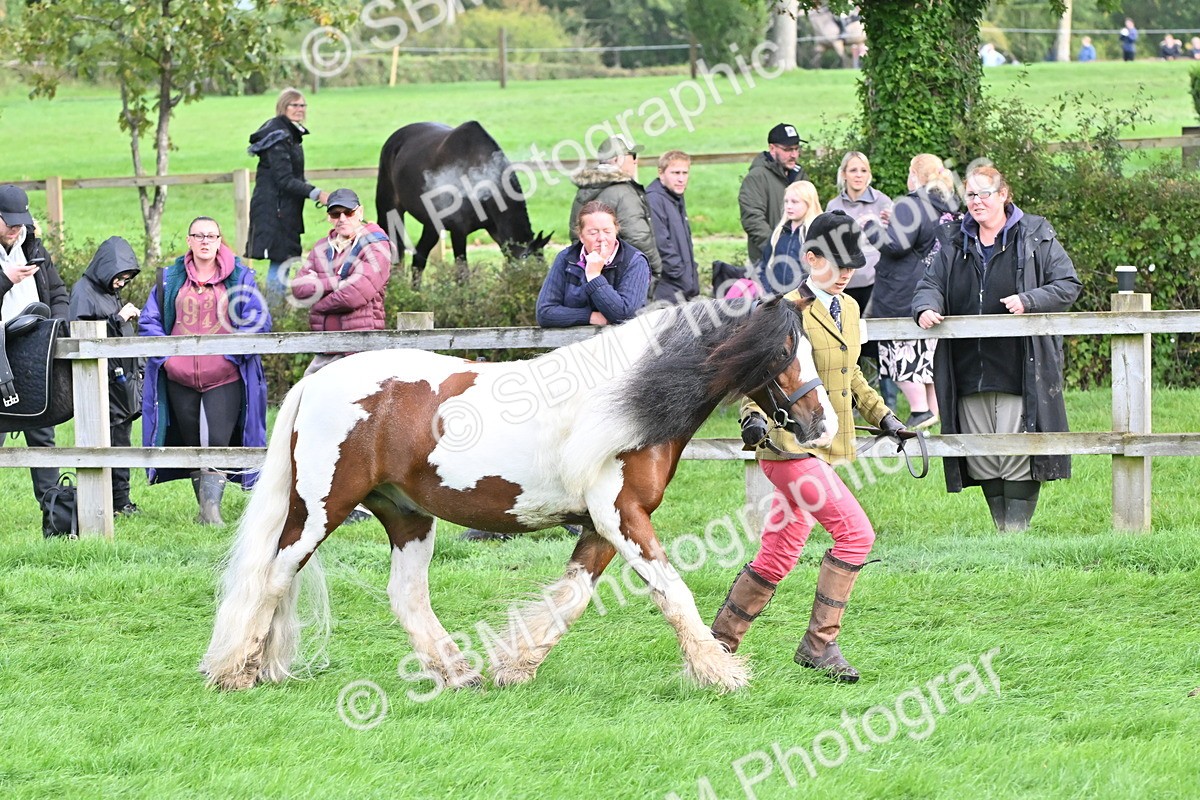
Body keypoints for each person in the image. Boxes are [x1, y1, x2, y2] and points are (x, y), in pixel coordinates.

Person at [709, 210, 908, 684]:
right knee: (857, 534)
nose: (844, 276)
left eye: (850, 267)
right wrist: (752, 419)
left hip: (826, 446)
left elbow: (853, 374)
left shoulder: (851, 309)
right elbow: (759, 375)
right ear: (809, 258)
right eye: (835, 266)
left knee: (780, 551)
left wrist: (885, 417)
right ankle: (820, 645)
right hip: (789, 449)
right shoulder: (783, 310)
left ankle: (718, 644)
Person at [912, 165, 1081, 532]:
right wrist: (926, 306)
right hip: (968, 367)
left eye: (984, 194)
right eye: (970, 195)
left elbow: (1068, 284)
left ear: (1004, 194)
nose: (976, 202)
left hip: (1019, 366)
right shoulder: (955, 240)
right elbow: (930, 283)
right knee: (985, 456)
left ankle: (1015, 533)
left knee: (1018, 454)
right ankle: (1001, 532)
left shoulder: (1035, 233)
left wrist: (1030, 299)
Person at [140, 216, 271, 526]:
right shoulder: (170, 278)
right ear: (189, 240)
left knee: (217, 441)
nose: (204, 241)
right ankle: (205, 510)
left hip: (223, 377)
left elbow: (258, 320)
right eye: (198, 236)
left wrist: (230, 355)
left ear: (219, 240)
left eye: (211, 236)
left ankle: (211, 512)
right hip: (178, 376)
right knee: (190, 443)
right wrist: (169, 359)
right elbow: (149, 321)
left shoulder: (240, 278)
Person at [863, 154, 958, 430]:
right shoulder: (949, 204)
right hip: (935, 289)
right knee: (926, 354)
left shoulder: (911, 202)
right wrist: (892, 222)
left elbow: (897, 245)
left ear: (915, 175)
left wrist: (871, 227)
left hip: (902, 290)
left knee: (898, 347)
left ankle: (918, 410)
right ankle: (932, 412)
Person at [0, 185, 68, 536]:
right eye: (9, 223)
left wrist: (55, 328)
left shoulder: (31, 244)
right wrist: (5, 280)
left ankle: (55, 518)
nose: (15, 229)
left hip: (33, 352)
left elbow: (57, 291)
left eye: (19, 222)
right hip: (0, 352)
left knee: (42, 435)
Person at [68, 237, 143, 516]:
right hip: (98, 382)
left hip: (118, 380)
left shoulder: (108, 290)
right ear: (106, 268)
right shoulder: (83, 292)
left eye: (126, 278)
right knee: (105, 441)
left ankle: (120, 502)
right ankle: (109, 502)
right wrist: (119, 320)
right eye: (119, 277)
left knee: (121, 439)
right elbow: (79, 335)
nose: (122, 283)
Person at [290, 188, 391, 377]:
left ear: (360, 212)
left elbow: (353, 295)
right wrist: (337, 281)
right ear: (329, 217)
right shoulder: (321, 246)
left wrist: (318, 305)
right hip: (326, 348)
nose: (342, 218)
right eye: (336, 214)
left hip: (361, 348)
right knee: (305, 398)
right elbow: (299, 289)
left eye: (349, 212)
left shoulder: (377, 245)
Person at [246, 88, 330, 306]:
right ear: (283, 107)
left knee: (283, 259)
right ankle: (274, 312)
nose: (299, 109)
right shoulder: (278, 136)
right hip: (275, 209)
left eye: (303, 105)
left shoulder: (289, 133)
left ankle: (277, 309)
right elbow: (284, 179)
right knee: (279, 260)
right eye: (294, 105)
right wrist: (316, 193)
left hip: (284, 207)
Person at [825, 150, 895, 408]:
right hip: (844, 283)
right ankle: (849, 403)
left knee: (878, 343)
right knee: (846, 344)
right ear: (843, 174)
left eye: (863, 170)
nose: (858, 175)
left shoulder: (882, 202)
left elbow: (894, 242)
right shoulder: (834, 206)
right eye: (853, 170)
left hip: (876, 282)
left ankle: (888, 403)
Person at [536, 201, 651, 328]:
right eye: (593, 233)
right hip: (572, 343)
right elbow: (545, 312)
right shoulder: (566, 258)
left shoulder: (635, 261)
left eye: (607, 231)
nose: (601, 238)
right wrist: (590, 316)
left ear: (616, 230)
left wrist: (594, 276)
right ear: (581, 236)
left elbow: (625, 316)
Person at [568, 136, 661, 285]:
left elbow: (575, 235)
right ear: (618, 159)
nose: (636, 161)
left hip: (590, 277)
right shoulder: (624, 192)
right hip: (626, 281)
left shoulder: (584, 191)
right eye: (633, 156)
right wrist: (656, 270)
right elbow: (638, 238)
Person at [738, 123, 808, 263]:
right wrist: (778, 250)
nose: (794, 155)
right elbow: (753, 221)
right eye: (788, 150)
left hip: (801, 261)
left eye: (796, 149)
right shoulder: (756, 178)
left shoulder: (800, 176)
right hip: (768, 264)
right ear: (772, 148)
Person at [645, 150, 699, 303]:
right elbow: (661, 245)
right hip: (668, 288)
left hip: (682, 285)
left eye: (685, 173)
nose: (681, 179)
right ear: (661, 173)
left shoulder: (675, 197)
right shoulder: (654, 200)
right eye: (675, 173)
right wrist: (682, 276)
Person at [759, 180, 821, 295]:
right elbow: (764, 266)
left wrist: (803, 297)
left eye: (795, 202)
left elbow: (822, 274)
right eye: (786, 201)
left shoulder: (816, 235)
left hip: (803, 302)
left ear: (809, 203)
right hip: (775, 301)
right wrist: (768, 293)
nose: (789, 206)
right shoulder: (779, 233)